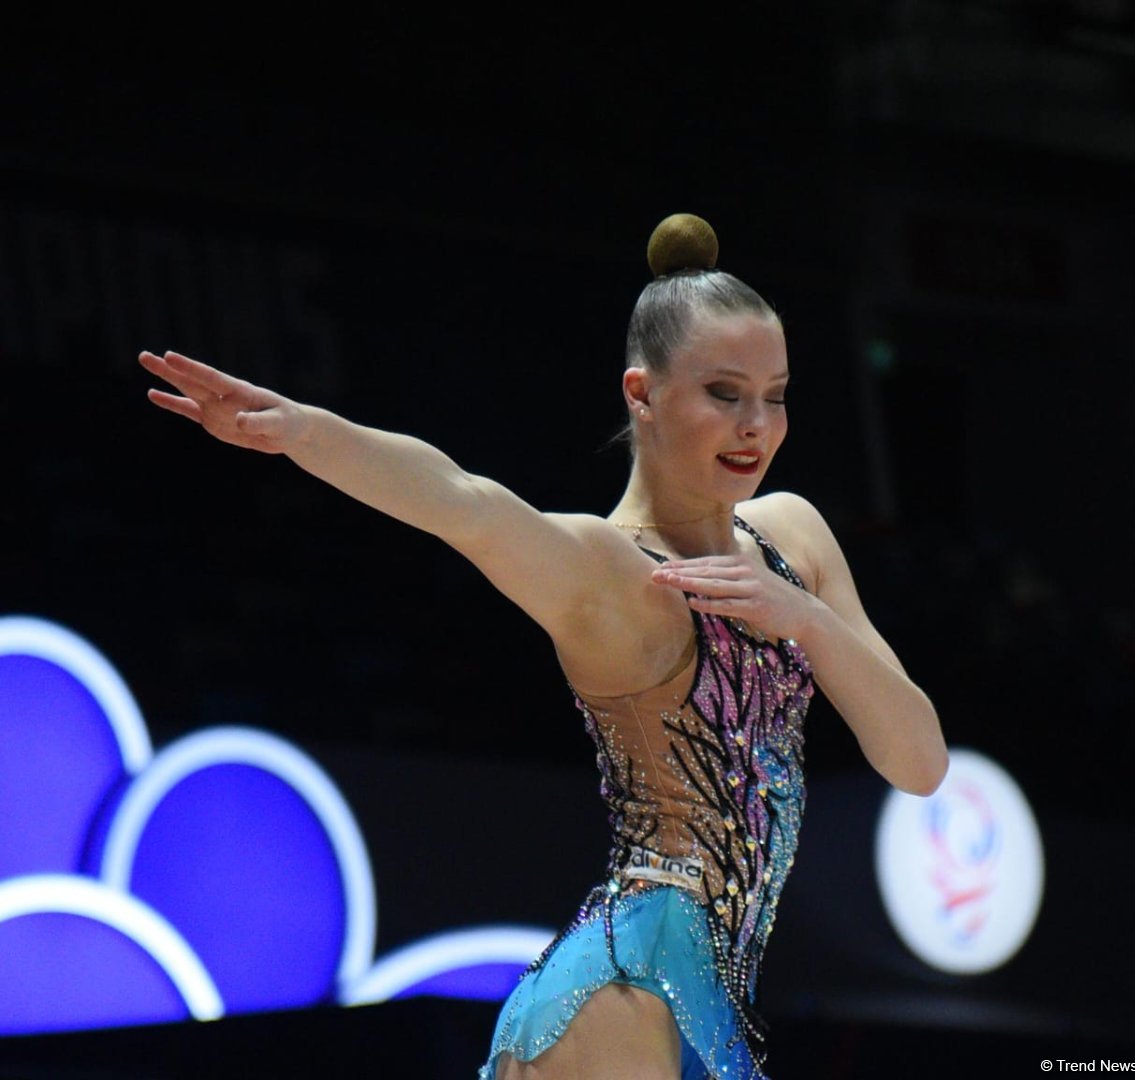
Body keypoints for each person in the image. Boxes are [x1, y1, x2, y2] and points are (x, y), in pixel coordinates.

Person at [139, 213, 947, 1080]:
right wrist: (301, 430)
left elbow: (919, 762)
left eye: (775, 394)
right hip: (622, 992)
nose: (757, 426)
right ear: (641, 394)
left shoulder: (795, 537)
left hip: (707, 996)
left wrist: (807, 619)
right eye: (723, 393)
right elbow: (463, 501)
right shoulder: (608, 571)